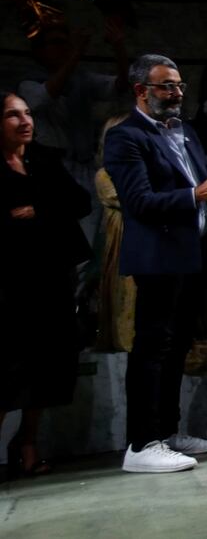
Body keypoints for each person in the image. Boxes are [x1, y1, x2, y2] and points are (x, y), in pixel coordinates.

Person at [104, 54, 207, 473]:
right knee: (151, 349)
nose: (177, 93)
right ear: (141, 91)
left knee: (176, 348)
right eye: (166, 86)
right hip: (157, 257)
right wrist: (196, 196)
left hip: (190, 256)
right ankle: (140, 444)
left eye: (179, 85)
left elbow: (201, 180)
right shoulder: (125, 136)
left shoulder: (182, 131)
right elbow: (139, 202)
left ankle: (165, 433)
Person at [1, 93, 91, 477]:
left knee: (46, 366)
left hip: (51, 274)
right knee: (9, 366)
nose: (25, 120)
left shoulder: (44, 159)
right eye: (12, 115)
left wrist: (39, 210)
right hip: (9, 278)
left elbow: (80, 202)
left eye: (27, 113)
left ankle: (27, 442)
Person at [18, 20, 129, 244]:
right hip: (49, 168)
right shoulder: (29, 82)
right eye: (56, 43)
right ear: (39, 51)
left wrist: (118, 48)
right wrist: (76, 52)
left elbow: (120, 86)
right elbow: (45, 96)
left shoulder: (81, 78)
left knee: (89, 236)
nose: (64, 47)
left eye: (66, 43)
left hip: (83, 165)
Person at [94, 114, 137, 352]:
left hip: (143, 239)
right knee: (126, 296)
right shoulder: (104, 175)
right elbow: (129, 199)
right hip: (123, 242)